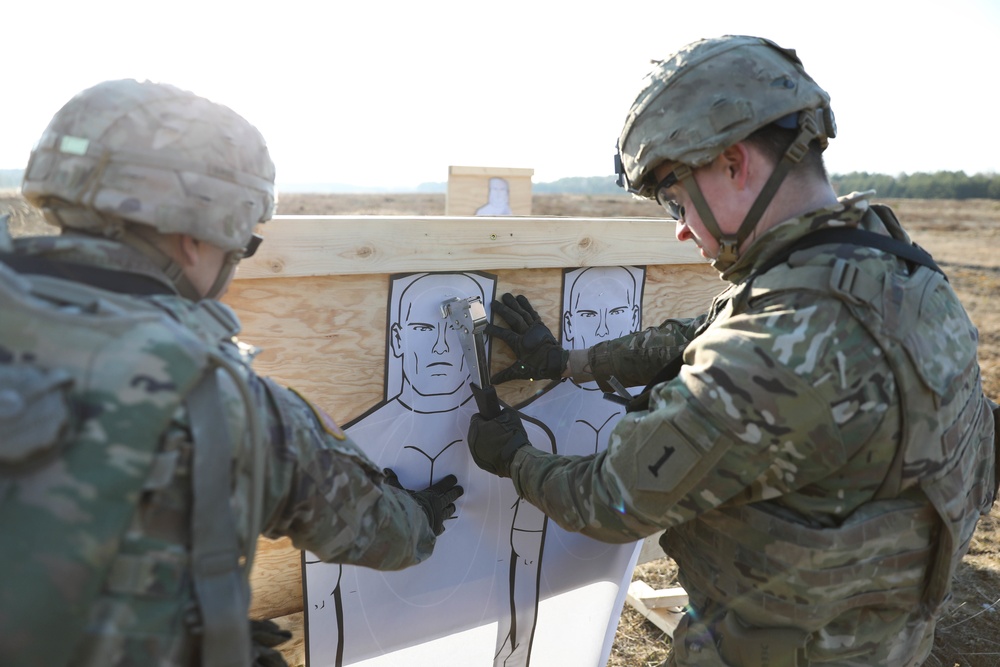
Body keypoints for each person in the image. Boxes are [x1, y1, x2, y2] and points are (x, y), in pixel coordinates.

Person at [467, 35, 998, 667]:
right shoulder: (901, 274)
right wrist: (571, 363)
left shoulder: (768, 353)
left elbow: (609, 499)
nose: (680, 227)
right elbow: (706, 330)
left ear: (732, 164)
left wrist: (515, 458)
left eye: (674, 197)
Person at [0, 79, 462, 667]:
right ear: (196, 238)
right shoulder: (225, 400)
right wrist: (421, 514)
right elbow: (385, 534)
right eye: (242, 241)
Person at [304, 271, 552, 667]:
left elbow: (526, 568)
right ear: (398, 338)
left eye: (455, 330)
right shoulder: (349, 445)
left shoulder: (529, 439)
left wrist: (516, 655)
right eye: (422, 328)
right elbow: (323, 593)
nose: (441, 346)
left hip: (475, 641)